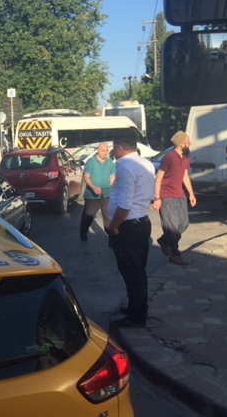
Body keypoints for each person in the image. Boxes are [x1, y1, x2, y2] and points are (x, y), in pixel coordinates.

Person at [108, 135, 156, 327]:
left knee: (131, 271)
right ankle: (137, 307)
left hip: (128, 226)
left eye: (114, 149)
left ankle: (137, 316)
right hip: (143, 223)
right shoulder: (147, 164)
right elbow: (151, 196)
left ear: (118, 147)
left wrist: (113, 226)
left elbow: (125, 204)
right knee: (137, 270)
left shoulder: (125, 168)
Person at [153, 130, 197, 266]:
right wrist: (157, 198)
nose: (190, 144)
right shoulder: (169, 157)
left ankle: (164, 241)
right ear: (181, 144)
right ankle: (175, 255)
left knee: (183, 224)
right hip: (166, 196)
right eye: (188, 142)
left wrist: (191, 194)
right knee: (171, 226)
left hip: (180, 195)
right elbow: (159, 177)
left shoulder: (185, 157)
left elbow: (184, 175)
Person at [79, 142, 116, 241]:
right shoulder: (91, 162)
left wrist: (114, 185)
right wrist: (93, 187)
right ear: (98, 151)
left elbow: (112, 176)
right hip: (92, 195)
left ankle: (111, 237)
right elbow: (86, 177)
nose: (105, 153)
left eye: (107, 151)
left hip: (107, 194)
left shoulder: (110, 162)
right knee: (89, 216)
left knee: (108, 216)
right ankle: (83, 231)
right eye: (103, 151)